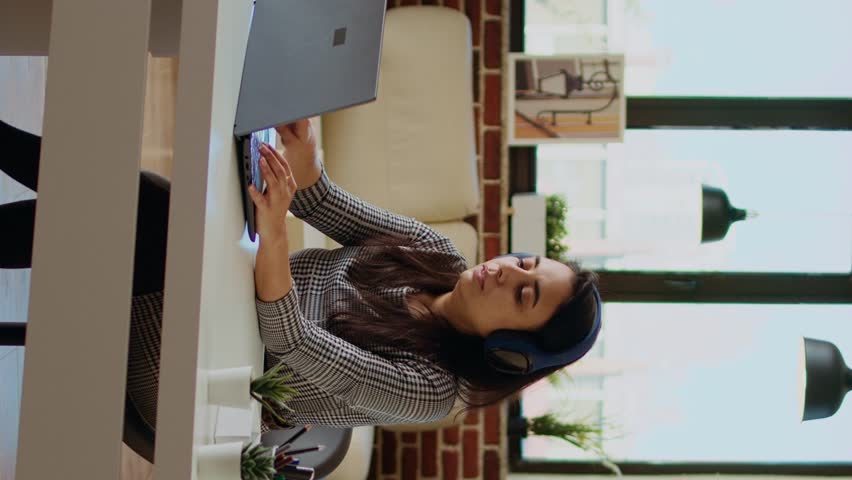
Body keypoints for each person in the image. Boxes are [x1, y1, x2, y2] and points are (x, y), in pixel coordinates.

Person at [0, 118, 601, 431]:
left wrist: (277, 231)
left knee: (155, 222)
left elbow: (289, 343)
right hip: (207, 296)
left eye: (523, 295)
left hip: (193, 381)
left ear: (512, 352)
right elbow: (321, 202)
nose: (502, 272)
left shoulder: (432, 391)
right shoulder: (436, 252)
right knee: (153, 214)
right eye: (524, 263)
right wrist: (306, 158)